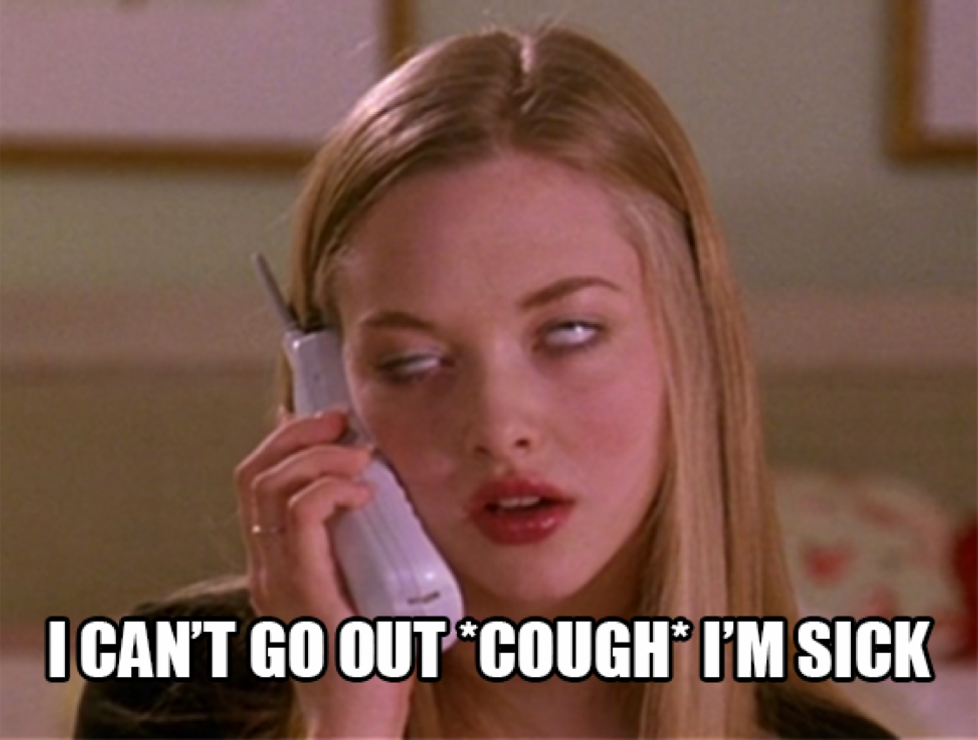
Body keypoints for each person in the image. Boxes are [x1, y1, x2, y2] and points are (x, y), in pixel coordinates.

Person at [74, 25, 895, 739]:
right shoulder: (173, 693)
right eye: (411, 363)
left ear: (692, 347)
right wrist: (348, 718)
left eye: (570, 334)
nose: (500, 428)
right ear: (329, 393)